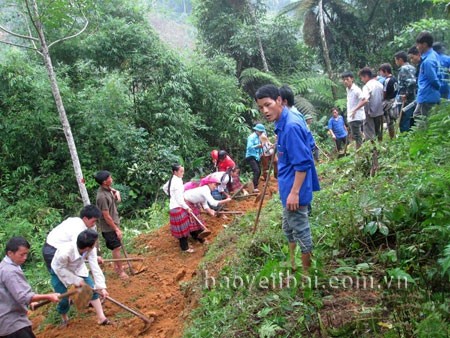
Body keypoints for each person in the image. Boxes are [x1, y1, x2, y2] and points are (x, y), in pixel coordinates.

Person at [255, 84, 320, 272]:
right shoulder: (281, 122)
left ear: (279, 100)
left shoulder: (291, 126)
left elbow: (303, 163)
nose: (265, 111)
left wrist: (294, 193)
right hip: (287, 186)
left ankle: (307, 276)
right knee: (288, 228)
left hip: (294, 189)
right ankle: (293, 264)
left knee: (300, 230)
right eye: (261, 107)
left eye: (268, 105)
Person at [0, 237, 59, 338]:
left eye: (26, 254)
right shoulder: (10, 271)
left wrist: (31, 301)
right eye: (22, 254)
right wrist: (48, 296)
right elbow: (23, 296)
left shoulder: (4, 266)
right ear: (10, 253)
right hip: (14, 323)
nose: (25, 257)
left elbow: (13, 292)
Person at [51, 229, 110, 326]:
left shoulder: (90, 249)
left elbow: (94, 265)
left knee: (92, 289)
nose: (96, 244)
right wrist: (77, 281)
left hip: (78, 268)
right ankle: (64, 317)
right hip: (59, 271)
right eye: (95, 243)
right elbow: (60, 269)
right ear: (87, 247)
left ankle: (101, 318)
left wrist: (101, 288)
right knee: (63, 299)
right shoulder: (64, 253)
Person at [163, 164, 206, 253]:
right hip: (178, 207)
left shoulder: (174, 179)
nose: (183, 173)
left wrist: (171, 196)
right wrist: (187, 208)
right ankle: (185, 248)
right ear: (175, 172)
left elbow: (165, 188)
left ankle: (196, 238)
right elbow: (179, 199)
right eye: (181, 171)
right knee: (183, 228)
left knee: (187, 224)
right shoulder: (177, 182)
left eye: (183, 171)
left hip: (175, 206)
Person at [94, 170, 128, 279]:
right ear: (104, 182)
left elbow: (117, 200)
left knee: (117, 246)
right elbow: (106, 216)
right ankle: (120, 271)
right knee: (116, 247)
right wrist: (116, 229)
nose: (111, 179)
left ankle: (118, 266)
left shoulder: (108, 190)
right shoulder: (102, 197)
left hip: (114, 222)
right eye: (110, 178)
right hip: (109, 227)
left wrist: (116, 193)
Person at [350, 68, 384, 142]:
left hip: (370, 113)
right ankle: (380, 148)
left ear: (366, 76)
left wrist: (355, 109)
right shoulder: (379, 84)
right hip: (379, 111)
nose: (362, 80)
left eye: (362, 78)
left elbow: (365, 100)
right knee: (378, 131)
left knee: (370, 133)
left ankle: (374, 151)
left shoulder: (367, 86)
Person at [414, 31, 441, 117]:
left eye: (418, 44)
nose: (417, 47)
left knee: (423, 122)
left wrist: (438, 88)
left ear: (424, 44)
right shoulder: (434, 55)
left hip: (427, 96)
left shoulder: (428, 61)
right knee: (417, 115)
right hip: (427, 95)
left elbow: (433, 80)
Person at [341, 71, 365, 149]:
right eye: (344, 80)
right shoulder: (348, 89)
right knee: (357, 135)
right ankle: (361, 150)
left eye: (347, 79)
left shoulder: (356, 89)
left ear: (352, 79)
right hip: (352, 117)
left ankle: (360, 153)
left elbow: (364, 100)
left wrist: (355, 109)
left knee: (357, 136)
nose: (345, 81)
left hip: (356, 117)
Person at [394, 51, 417, 132]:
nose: (396, 62)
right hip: (413, 99)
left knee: (404, 121)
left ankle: (405, 139)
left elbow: (412, 82)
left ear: (400, 60)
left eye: (396, 60)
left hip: (406, 100)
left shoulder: (404, 69)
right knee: (412, 120)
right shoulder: (413, 67)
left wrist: (406, 94)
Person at [379, 63, 398, 139]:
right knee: (393, 120)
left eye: (381, 71)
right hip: (394, 100)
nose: (380, 73)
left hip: (388, 102)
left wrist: (382, 99)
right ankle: (394, 136)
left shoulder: (387, 80)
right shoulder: (394, 78)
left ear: (385, 71)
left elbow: (384, 92)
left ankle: (392, 137)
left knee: (389, 121)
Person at [245, 124, 265, 193]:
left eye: (262, 132)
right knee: (257, 171)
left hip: (256, 156)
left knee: (259, 171)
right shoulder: (251, 137)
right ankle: (255, 187)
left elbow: (260, 147)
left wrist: (260, 152)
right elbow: (249, 147)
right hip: (250, 156)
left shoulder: (259, 137)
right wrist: (258, 146)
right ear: (257, 130)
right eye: (260, 132)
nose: (261, 133)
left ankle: (255, 184)